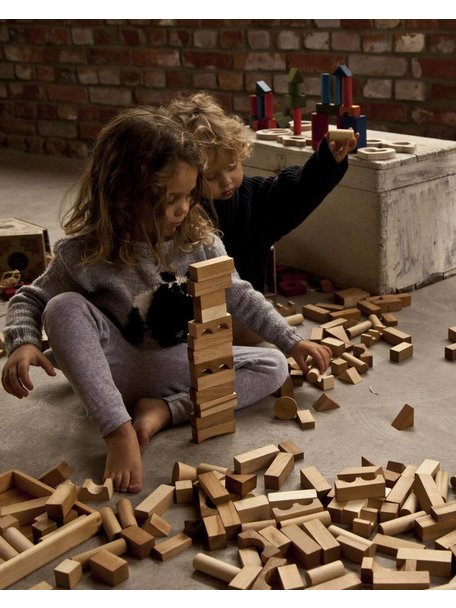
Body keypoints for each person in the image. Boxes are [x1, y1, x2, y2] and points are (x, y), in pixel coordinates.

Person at [2, 107, 332, 494]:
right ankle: (117, 428)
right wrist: (22, 342)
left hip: (177, 363)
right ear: (124, 193)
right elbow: (31, 297)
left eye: (190, 196)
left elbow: (237, 293)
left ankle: (164, 411)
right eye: (172, 198)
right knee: (63, 308)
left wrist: (290, 340)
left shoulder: (200, 240)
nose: (184, 208)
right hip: (115, 367)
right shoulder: (83, 252)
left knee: (272, 365)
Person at [165, 92, 358, 294]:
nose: (226, 182)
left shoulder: (253, 198)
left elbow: (295, 194)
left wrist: (327, 163)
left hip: (249, 314)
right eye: (211, 177)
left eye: (232, 166)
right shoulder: (178, 215)